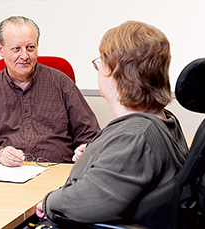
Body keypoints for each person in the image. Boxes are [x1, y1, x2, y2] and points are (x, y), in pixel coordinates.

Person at [36, 21, 189, 224]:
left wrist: (48, 202)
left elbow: (89, 201)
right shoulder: (164, 120)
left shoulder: (134, 137)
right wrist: (95, 153)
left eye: (100, 63)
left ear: (115, 70)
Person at [0, 16, 100, 167]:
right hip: (8, 175)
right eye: (16, 49)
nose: (24, 56)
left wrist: (84, 150)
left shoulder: (61, 83)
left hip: (57, 173)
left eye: (30, 48)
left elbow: (90, 133)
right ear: (1, 50)